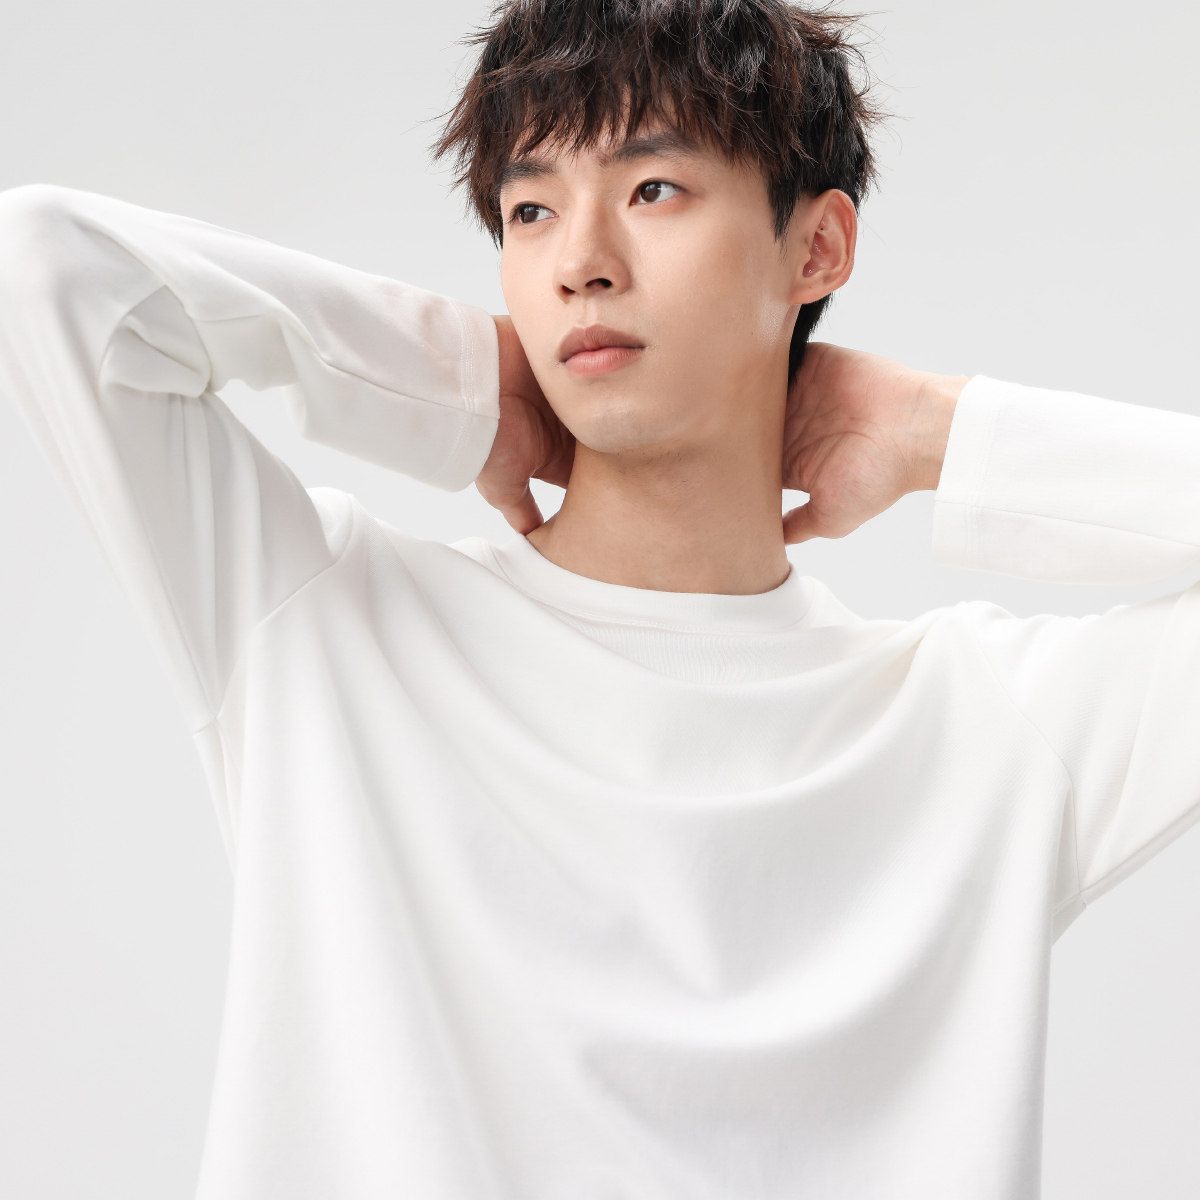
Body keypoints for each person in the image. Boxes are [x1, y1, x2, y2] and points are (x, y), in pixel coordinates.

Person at [1, 0, 1198, 1196]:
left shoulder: (983, 725)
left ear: (818, 249)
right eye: (531, 210)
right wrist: (457, 385)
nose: (580, 262)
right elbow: (50, 262)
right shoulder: (328, 626)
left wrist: (937, 430)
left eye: (653, 189)